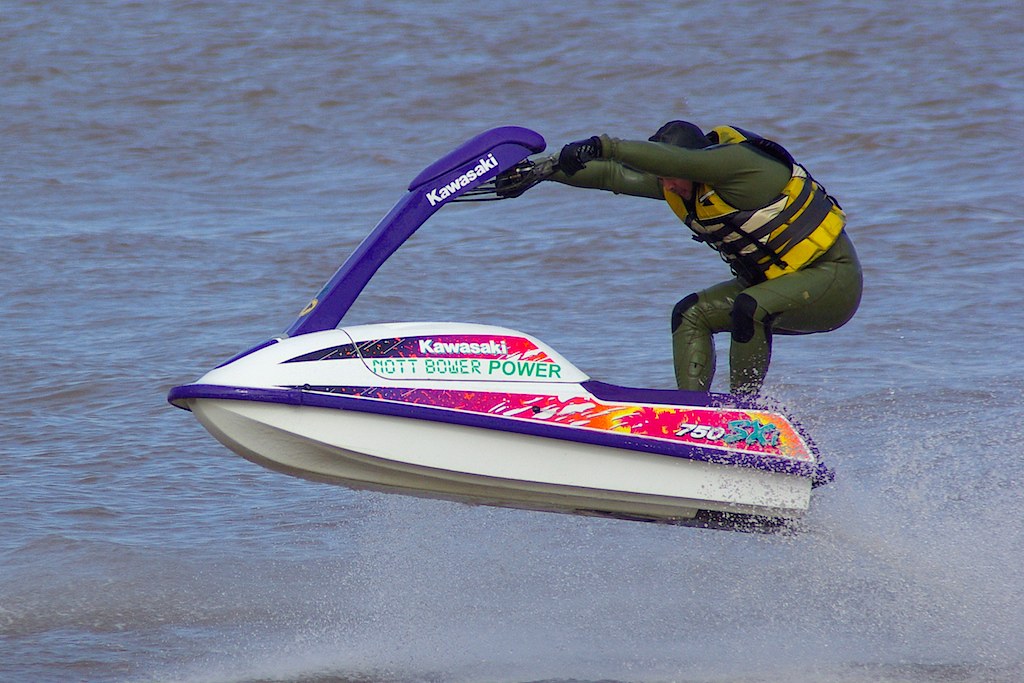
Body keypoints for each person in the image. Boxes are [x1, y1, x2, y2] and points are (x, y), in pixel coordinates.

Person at [498, 120, 862, 396]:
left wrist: (601, 145)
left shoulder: (742, 165)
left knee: (750, 306)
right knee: (691, 313)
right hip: (780, 282)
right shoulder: (683, 184)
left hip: (831, 282)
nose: (667, 186)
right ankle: (693, 418)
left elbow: (663, 160)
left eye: (670, 177)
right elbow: (611, 174)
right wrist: (542, 172)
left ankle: (746, 413)